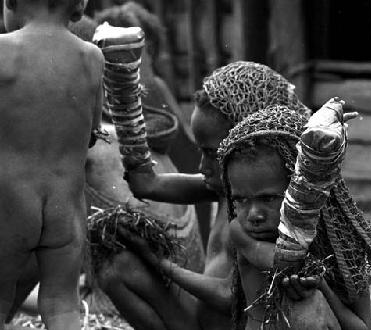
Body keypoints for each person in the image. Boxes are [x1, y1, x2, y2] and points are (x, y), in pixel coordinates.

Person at [98, 61, 311, 330]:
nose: (201, 166)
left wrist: (160, 262)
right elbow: (147, 185)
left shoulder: (271, 207)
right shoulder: (229, 184)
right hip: (201, 318)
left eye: (211, 153)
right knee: (115, 268)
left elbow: (233, 299)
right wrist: (129, 124)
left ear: (248, 145)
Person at [217, 104, 371, 329]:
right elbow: (286, 263)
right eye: (241, 200)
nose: (254, 214)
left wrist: (323, 289)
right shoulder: (242, 232)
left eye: (268, 199)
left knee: (310, 303)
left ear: (303, 192)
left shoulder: (345, 250)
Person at [0, 0, 101, 329]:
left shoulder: (3, 52)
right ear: (80, 4)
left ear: (11, 2)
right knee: (62, 304)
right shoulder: (91, 58)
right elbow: (92, 134)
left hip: (9, 205)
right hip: (65, 207)